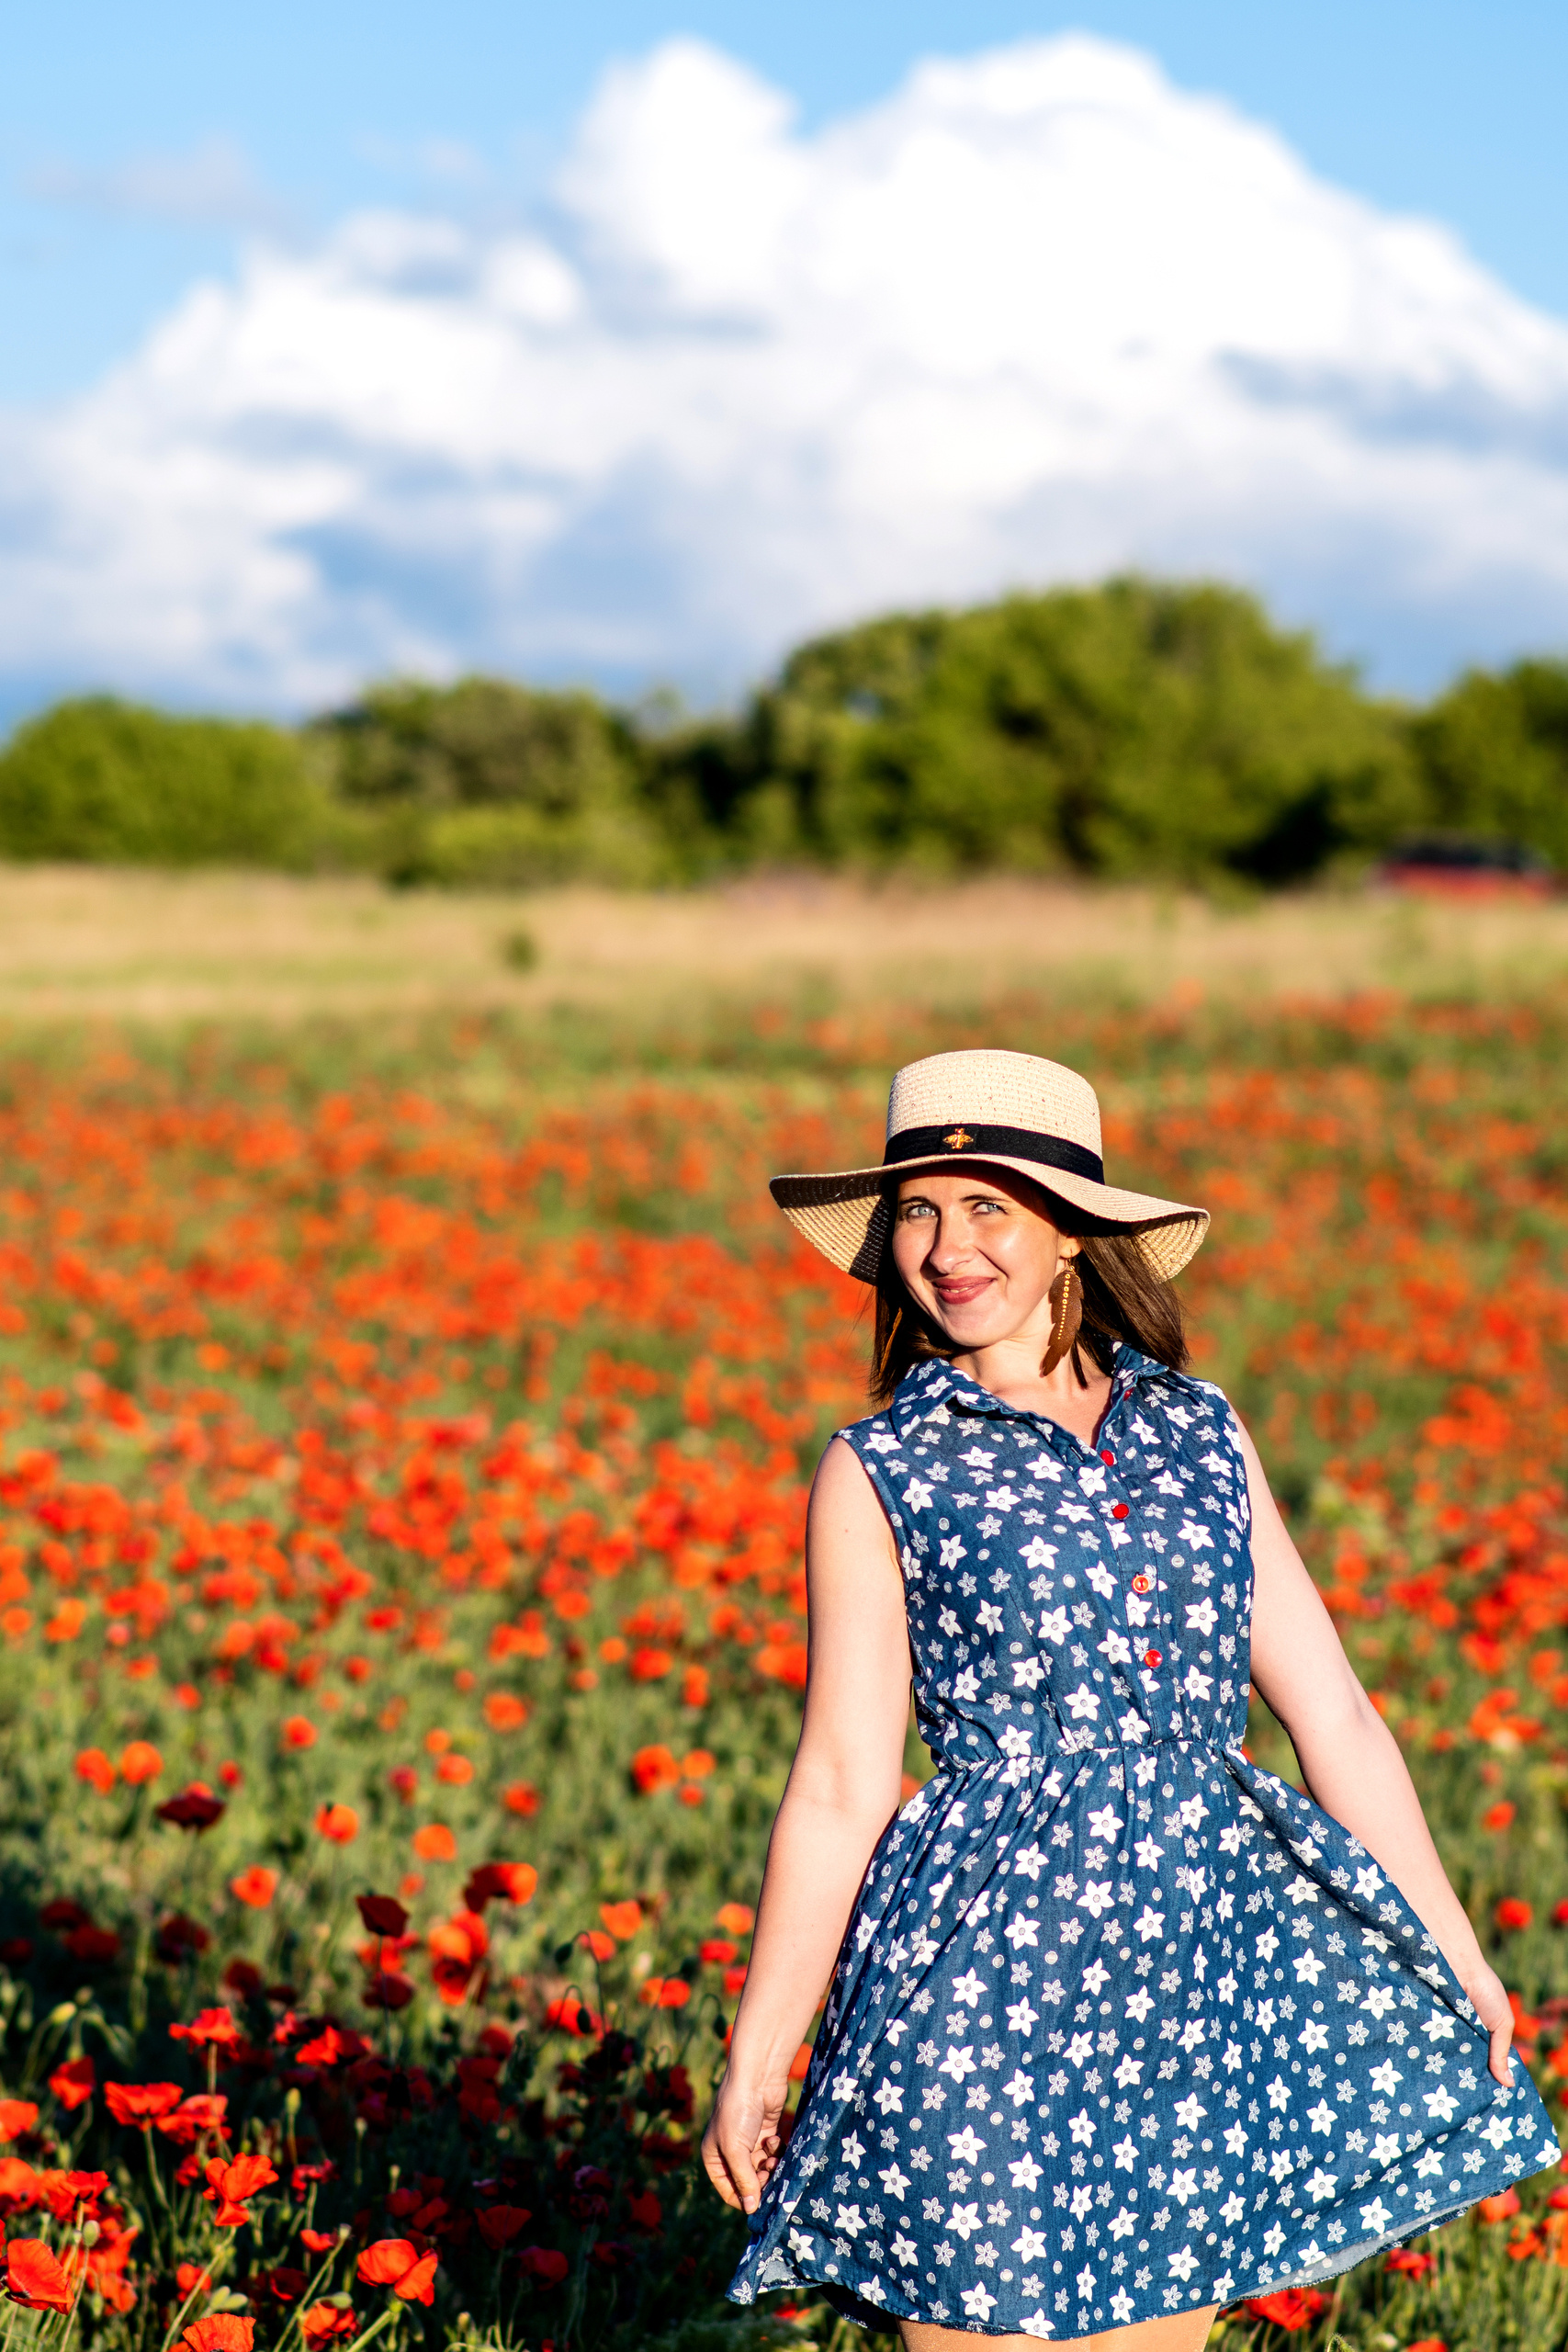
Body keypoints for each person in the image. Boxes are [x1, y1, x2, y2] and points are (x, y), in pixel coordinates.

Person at [704, 1049, 1557, 2350]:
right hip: (974, 1984)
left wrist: (1450, 1945)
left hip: (1195, 1984)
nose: (946, 1247)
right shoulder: (883, 1468)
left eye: (986, 1206)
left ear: (1071, 1233)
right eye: (918, 1213)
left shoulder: (1199, 1432)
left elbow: (1332, 1714)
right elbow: (838, 1785)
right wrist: (761, 2056)